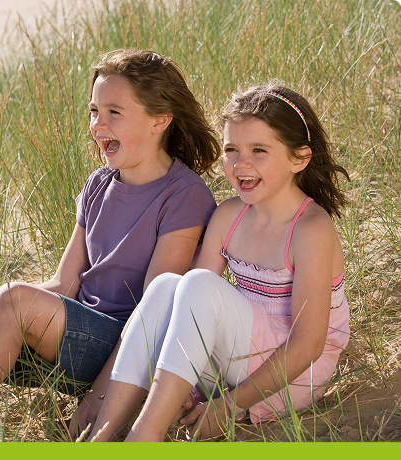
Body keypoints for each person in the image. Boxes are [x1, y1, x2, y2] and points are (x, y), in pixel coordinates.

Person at [0, 49, 220, 442]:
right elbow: (64, 285)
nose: (98, 125)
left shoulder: (184, 195)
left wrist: (101, 397)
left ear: (160, 119)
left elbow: (150, 318)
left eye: (114, 113)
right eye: (93, 111)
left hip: (123, 357)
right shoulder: (99, 185)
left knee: (13, 301)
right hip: (78, 336)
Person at [88, 83, 351, 442]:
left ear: (298, 158)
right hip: (239, 359)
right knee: (168, 286)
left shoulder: (311, 229)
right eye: (232, 150)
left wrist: (227, 406)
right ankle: (100, 435)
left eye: (259, 150)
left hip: (293, 377)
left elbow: (307, 346)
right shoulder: (229, 216)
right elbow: (185, 305)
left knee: (196, 284)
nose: (241, 164)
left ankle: (142, 439)